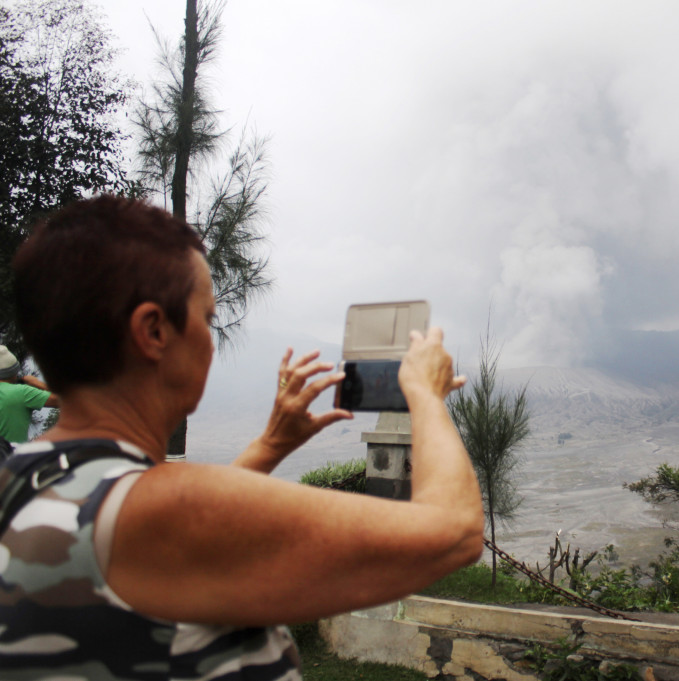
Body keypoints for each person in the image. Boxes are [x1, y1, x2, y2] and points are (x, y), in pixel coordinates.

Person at [0, 194, 484, 680]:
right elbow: (454, 532)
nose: (212, 339)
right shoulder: (160, 511)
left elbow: (172, 541)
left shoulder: (20, 481)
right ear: (153, 331)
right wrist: (424, 393)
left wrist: (270, 447)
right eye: (207, 319)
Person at [0, 344, 59, 444]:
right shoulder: (22, 392)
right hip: (12, 457)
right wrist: (38, 383)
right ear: (14, 372)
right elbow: (65, 400)